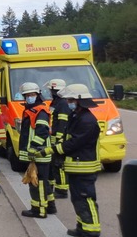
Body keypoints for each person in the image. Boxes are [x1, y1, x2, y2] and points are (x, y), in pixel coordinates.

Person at [33, 84, 101, 237]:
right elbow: (67, 137)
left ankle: (92, 231)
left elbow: (73, 143)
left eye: (71, 100)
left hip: (85, 166)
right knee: (78, 199)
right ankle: (82, 227)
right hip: (76, 166)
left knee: (86, 198)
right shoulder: (77, 116)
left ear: (79, 100)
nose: (68, 103)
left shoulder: (87, 120)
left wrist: (51, 150)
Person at [18, 82, 54, 218]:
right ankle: (49, 207)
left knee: (36, 183)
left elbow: (43, 132)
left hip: (39, 153)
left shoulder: (40, 111)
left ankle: (38, 210)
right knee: (42, 182)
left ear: (37, 95)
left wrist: (33, 146)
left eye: (32, 95)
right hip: (38, 153)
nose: (29, 97)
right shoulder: (33, 110)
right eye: (27, 95)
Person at [45, 79, 70, 199]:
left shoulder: (63, 103)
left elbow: (62, 123)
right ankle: (54, 186)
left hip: (59, 139)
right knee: (53, 164)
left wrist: (60, 139)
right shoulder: (55, 102)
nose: (50, 91)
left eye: (51, 90)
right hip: (53, 137)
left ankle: (62, 190)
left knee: (59, 164)